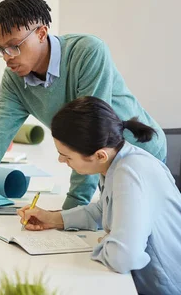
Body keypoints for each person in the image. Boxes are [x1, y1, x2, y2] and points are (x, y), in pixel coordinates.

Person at [0, 0, 165, 228]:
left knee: (142, 246)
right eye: (0, 49)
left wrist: (68, 214)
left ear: (41, 33)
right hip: (99, 165)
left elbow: (90, 137)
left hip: (138, 153)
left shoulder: (87, 52)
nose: (7, 57)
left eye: (14, 46)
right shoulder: (14, 80)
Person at [18, 97, 181, 294]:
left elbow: (123, 257)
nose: (61, 160)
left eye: (67, 156)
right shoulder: (117, 161)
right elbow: (104, 209)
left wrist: (107, 243)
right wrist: (54, 219)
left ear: (100, 155)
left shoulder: (128, 173)